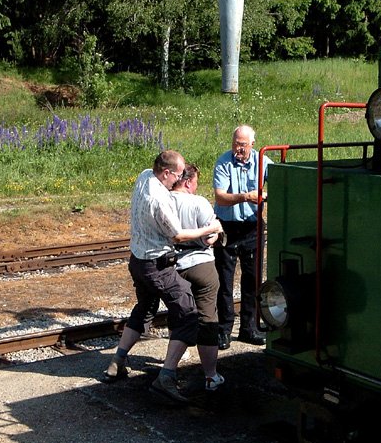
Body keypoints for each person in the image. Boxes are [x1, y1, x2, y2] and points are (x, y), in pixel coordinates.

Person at [103, 150, 222, 405]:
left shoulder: (144, 175)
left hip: (137, 260)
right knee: (189, 314)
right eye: (177, 175)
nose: (179, 180)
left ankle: (117, 361)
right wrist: (211, 228)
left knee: (145, 307)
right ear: (166, 173)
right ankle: (166, 377)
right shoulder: (160, 200)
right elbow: (177, 236)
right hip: (156, 265)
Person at [213, 125, 272, 348]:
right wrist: (246, 196)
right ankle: (224, 330)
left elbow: (279, 181)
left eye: (243, 144)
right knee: (224, 281)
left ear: (252, 145)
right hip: (227, 226)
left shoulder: (263, 162)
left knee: (253, 280)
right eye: (235, 143)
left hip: (252, 228)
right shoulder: (223, 162)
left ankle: (249, 328)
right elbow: (220, 197)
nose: (238, 148)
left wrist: (267, 195)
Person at [170, 164, 224, 392]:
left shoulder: (164, 200)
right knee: (207, 319)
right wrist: (212, 236)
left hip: (173, 266)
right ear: (189, 182)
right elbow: (213, 234)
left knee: (178, 314)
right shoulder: (198, 202)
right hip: (200, 265)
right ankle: (211, 375)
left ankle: (172, 366)